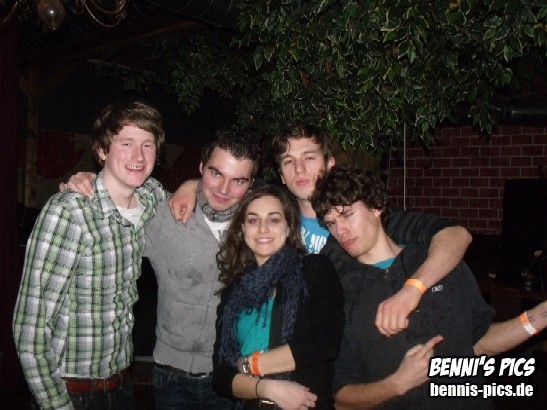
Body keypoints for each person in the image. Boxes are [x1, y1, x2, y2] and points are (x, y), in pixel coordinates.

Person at [168, 124, 473, 337]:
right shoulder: (270, 210)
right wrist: (191, 186)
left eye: (309, 158)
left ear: (330, 163)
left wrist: (413, 289)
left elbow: (456, 235)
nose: (299, 169)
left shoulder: (361, 215)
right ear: (281, 175)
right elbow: (228, 186)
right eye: (288, 161)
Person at [310, 166, 547, 409]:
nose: (340, 231)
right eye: (331, 223)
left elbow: (480, 340)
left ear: (376, 207)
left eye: (347, 215)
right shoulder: (339, 291)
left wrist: (542, 316)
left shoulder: (439, 264)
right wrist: (397, 384)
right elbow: (341, 398)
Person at [60, 129, 261, 409]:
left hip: (232, 372)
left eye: (238, 180)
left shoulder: (261, 227)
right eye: (215, 173)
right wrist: (87, 183)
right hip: (170, 373)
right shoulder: (165, 214)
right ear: (201, 168)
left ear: (251, 185)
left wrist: (192, 184)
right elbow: (119, 204)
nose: (224, 189)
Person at [13, 100, 168, 410]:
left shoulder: (152, 197)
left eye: (147, 145)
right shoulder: (70, 213)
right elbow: (30, 329)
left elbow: (203, 198)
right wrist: (57, 405)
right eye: (126, 143)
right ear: (101, 150)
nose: (138, 156)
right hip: (72, 391)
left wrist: (190, 187)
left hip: (121, 385)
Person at [213, 184, 345, 409]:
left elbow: (325, 341)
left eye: (274, 220)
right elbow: (221, 376)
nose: (263, 229)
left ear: (289, 226)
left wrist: (249, 365)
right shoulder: (234, 292)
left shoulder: (313, 270)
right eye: (253, 220)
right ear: (242, 229)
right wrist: (267, 388)